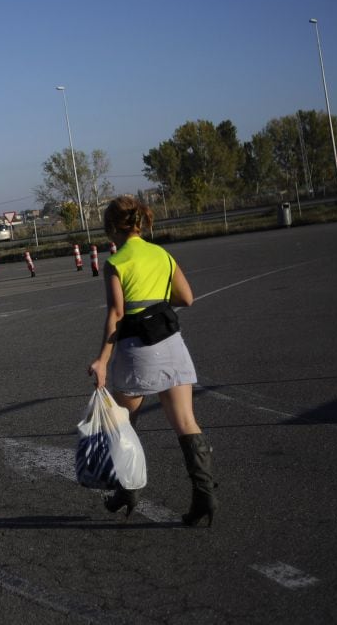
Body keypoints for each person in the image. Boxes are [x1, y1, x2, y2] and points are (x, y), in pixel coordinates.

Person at [87, 196, 218, 527]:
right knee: (186, 422)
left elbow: (116, 313)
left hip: (138, 351)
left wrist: (102, 360)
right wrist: (156, 302)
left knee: (122, 424)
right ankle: (204, 494)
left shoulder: (117, 262)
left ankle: (128, 491)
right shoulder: (161, 254)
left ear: (113, 228)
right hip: (173, 345)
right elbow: (187, 298)